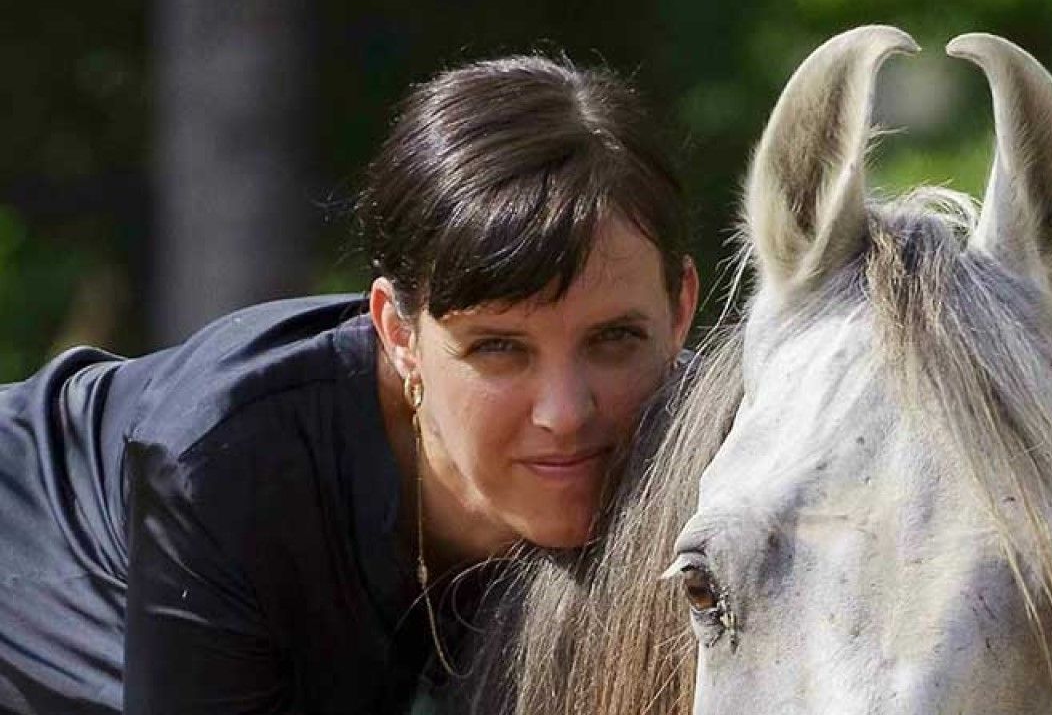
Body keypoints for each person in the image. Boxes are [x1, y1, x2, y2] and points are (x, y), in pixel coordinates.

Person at [0, 54, 698, 715]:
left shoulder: (738, 444)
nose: (566, 412)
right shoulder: (228, 461)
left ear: (680, 311)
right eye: (499, 349)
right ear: (399, 334)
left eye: (614, 339)